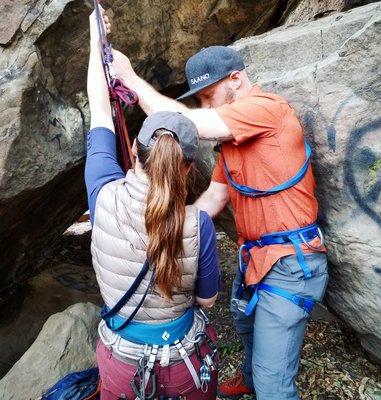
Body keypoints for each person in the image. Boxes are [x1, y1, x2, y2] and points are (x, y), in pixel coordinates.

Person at [110, 39, 329, 399]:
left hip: (291, 262)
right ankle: (251, 377)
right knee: (245, 326)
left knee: (275, 383)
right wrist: (162, 226)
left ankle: (266, 384)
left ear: (236, 79)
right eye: (199, 100)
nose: (203, 105)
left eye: (207, 96)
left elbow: (181, 124)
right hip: (254, 259)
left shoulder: (268, 109)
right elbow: (213, 199)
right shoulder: (234, 145)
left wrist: (130, 79)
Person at [85, 9, 220, 400]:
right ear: (189, 167)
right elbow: (207, 299)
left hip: (121, 366)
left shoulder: (103, 196)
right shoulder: (198, 225)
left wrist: (96, 43)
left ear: (131, 150)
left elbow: (98, 108)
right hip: (182, 368)